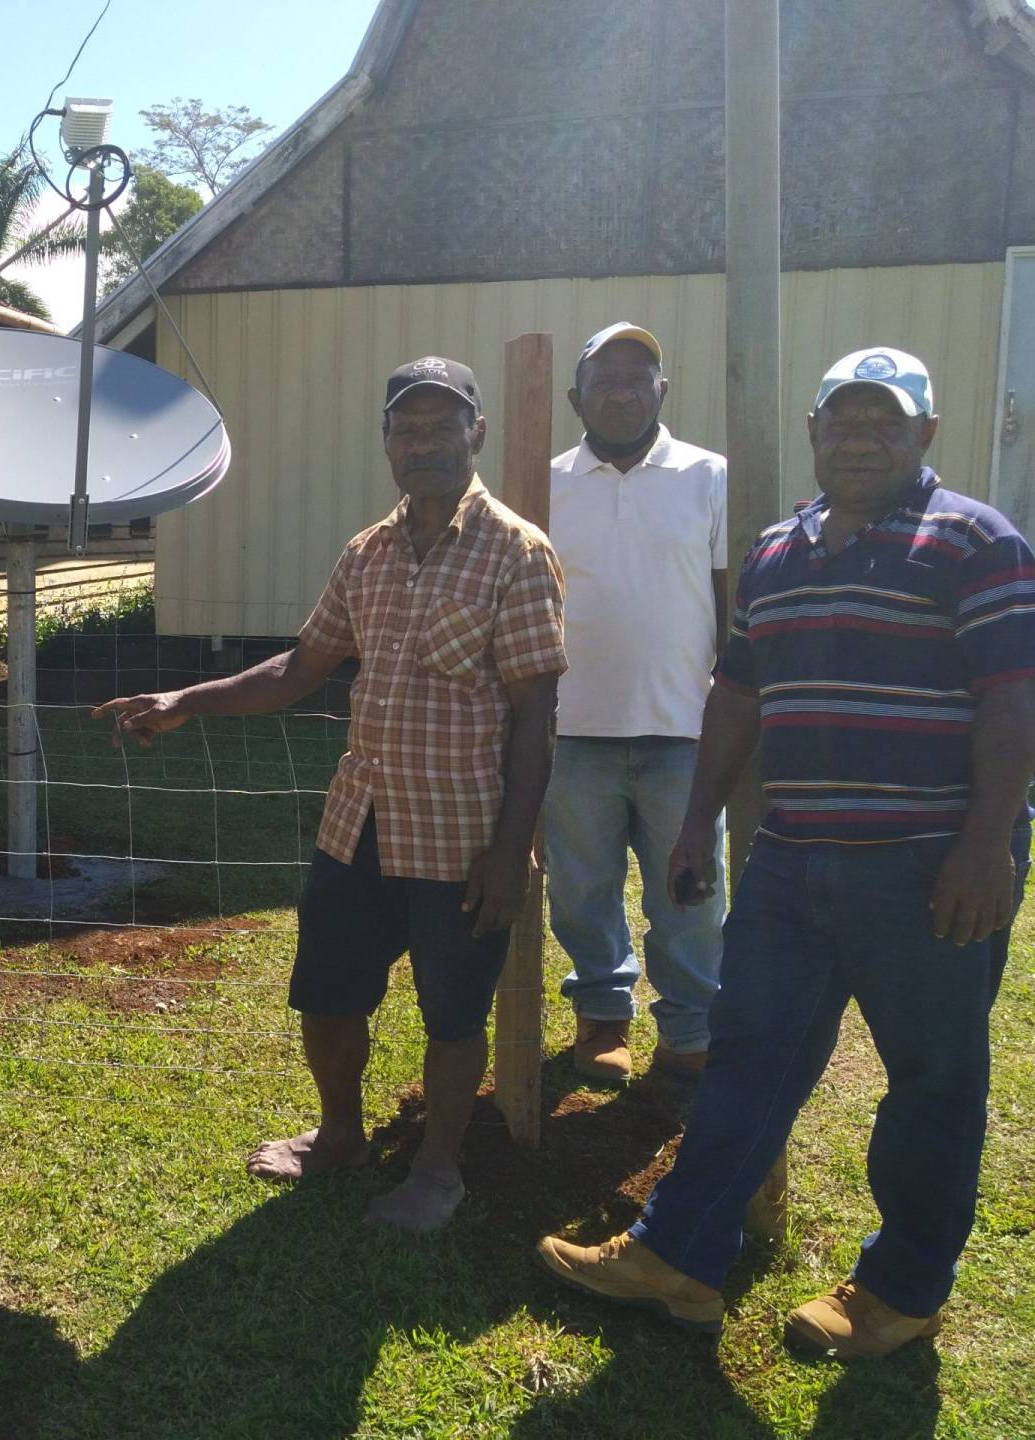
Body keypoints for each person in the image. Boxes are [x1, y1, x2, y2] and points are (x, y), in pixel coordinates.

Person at [537, 348, 1035, 1357]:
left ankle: (901, 1291)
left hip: (927, 873)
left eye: (884, 423)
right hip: (791, 861)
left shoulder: (977, 542)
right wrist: (694, 826)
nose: (859, 439)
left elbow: (1012, 698)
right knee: (747, 1064)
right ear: (812, 433)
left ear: (924, 436)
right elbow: (736, 695)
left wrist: (988, 845)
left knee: (932, 1084)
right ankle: (679, 1253)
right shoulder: (777, 551)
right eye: (842, 421)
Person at [96, 357, 566, 1233]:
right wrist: (183, 701)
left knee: (454, 1007)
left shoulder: (517, 551)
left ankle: (437, 1170)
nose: (422, 443)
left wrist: (514, 849)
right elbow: (304, 666)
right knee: (328, 989)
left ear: (477, 433)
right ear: (387, 441)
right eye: (406, 428)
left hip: (461, 833)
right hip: (361, 822)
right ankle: (342, 1134)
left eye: (441, 425)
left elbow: (537, 711)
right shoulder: (369, 552)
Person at [545, 323, 728, 1082]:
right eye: (604, 378)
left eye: (638, 376)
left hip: (683, 731)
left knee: (689, 894)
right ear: (574, 397)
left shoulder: (709, 476)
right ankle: (602, 1018)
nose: (621, 390)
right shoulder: (543, 480)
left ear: (662, 389)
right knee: (582, 888)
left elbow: (729, 598)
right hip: (570, 730)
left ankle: (689, 1033)